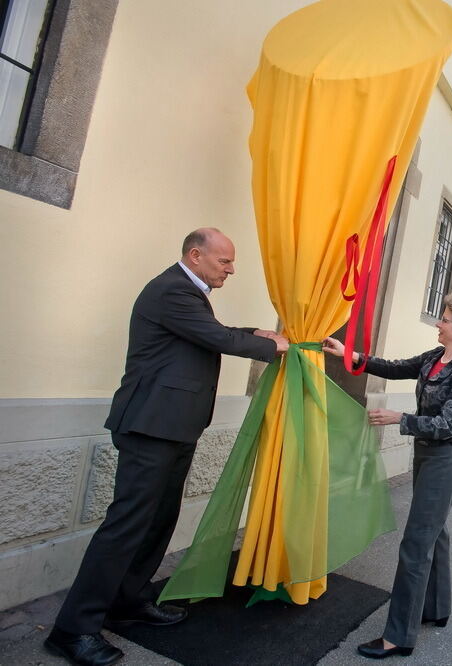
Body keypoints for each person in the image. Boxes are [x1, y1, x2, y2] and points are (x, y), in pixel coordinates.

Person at [45, 228, 288, 666]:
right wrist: (271, 343)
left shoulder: (187, 294)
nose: (231, 270)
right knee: (126, 526)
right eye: (224, 262)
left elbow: (207, 331)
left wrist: (252, 330)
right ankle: (72, 630)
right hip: (150, 427)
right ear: (195, 256)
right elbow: (215, 339)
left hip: (175, 428)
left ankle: (129, 603)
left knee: (159, 520)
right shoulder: (172, 289)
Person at [322, 293, 452, 660]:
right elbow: (394, 367)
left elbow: (447, 424)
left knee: (416, 544)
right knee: (435, 532)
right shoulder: (434, 358)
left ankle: (399, 636)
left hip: (446, 456)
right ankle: (436, 608)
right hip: (427, 454)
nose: (438, 323)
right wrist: (348, 354)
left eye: (444, 319)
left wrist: (400, 419)